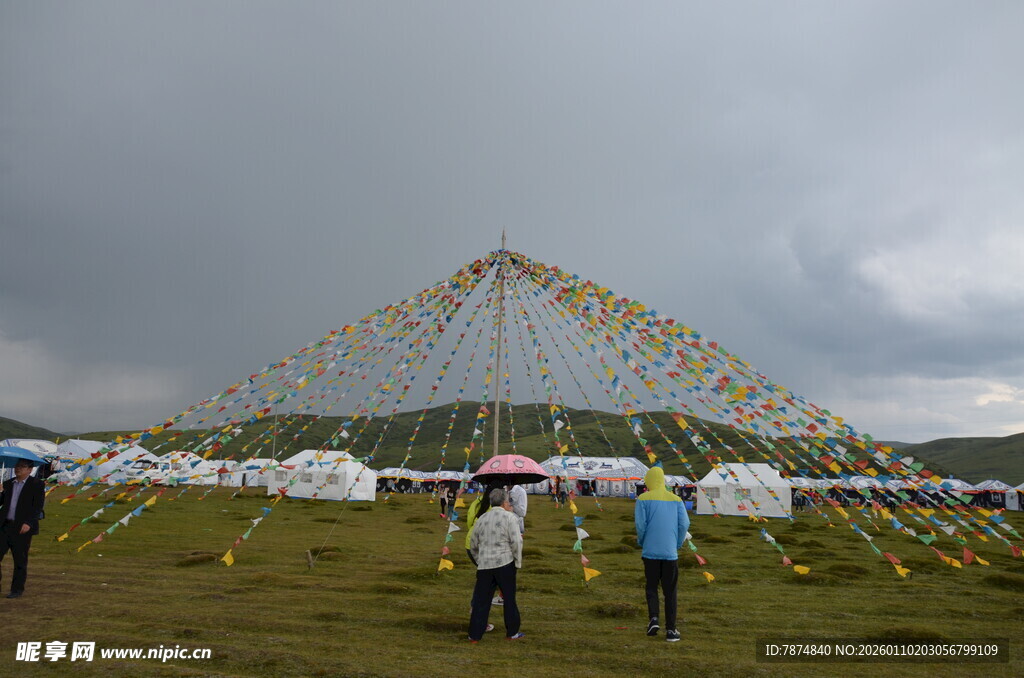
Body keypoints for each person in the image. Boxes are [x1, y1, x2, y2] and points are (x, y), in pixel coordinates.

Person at [634, 465, 689, 643]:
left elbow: (641, 526)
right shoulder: (676, 500)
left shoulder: (643, 499)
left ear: (649, 481)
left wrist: (643, 542)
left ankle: (654, 619)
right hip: (670, 553)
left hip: (650, 552)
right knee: (670, 592)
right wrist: (678, 543)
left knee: (651, 587)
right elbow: (684, 525)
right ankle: (671, 631)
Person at [468, 488, 524, 642]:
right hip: (505, 563)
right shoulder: (510, 517)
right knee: (509, 599)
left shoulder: (482, 518)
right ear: (505, 502)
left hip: (485, 565)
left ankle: (474, 635)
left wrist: (479, 559)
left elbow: (473, 543)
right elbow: (516, 541)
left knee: (481, 601)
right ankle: (512, 633)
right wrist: (517, 561)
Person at [0, 459, 46, 599]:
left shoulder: (37, 485)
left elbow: (37, 507)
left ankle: (17, 589)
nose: (18, 468)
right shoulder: (8, 484)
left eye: (22, 466)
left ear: (30, 470)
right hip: (5, 525)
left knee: (20, 560)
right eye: (17, 466)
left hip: (22, 527)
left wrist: (29, 523)